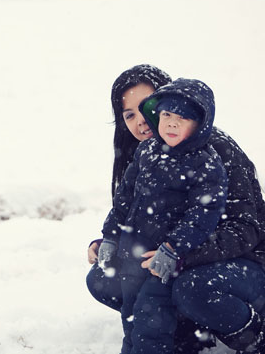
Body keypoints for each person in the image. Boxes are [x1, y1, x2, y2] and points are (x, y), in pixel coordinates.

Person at [86, 65, 265, 354]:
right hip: (184, 264)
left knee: (189, 287)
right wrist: (112, 241)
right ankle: (190, 334)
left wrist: (179, 256)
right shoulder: (149, 155)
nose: (141, 121)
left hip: (255, 268)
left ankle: (254, 337)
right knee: (105, 277)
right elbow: (138, 220)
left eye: (147, 107)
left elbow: (244, 232)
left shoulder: (212, 153)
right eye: (129, 114)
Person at [99, 77, 228, 354]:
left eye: (182, 118)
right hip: (132, 252)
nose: (171, 123)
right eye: (166, 114)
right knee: (131, 313)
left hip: (163, 260)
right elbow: (124, 200)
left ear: (200, 125)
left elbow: (203, 214)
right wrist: (109, 237)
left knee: (151, 316)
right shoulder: (146, 151)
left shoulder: (205, 162)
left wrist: (172, 248)